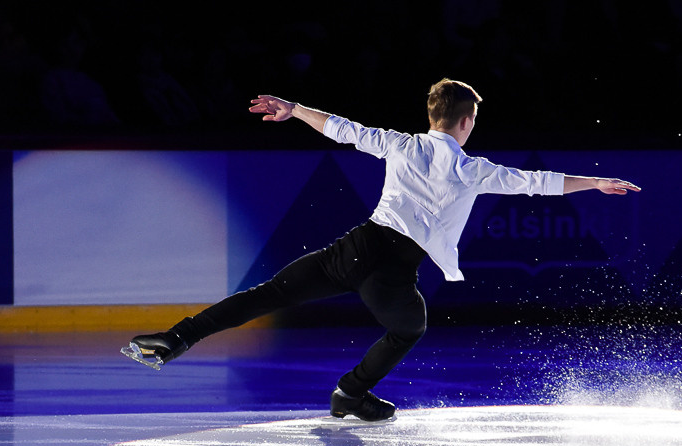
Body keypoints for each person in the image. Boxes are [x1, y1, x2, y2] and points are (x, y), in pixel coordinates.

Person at [123, 78, 640, 421]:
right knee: (409, 326)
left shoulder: (402, 143)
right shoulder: (472, 168)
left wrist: (293, 108)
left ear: (432, 114)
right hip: (391, 270)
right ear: (465, 122)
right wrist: (594, 182)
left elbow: (344, 130)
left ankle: (173, 340)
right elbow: (536, 182)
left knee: (265, 296)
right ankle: (350, 392)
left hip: (354, 247)